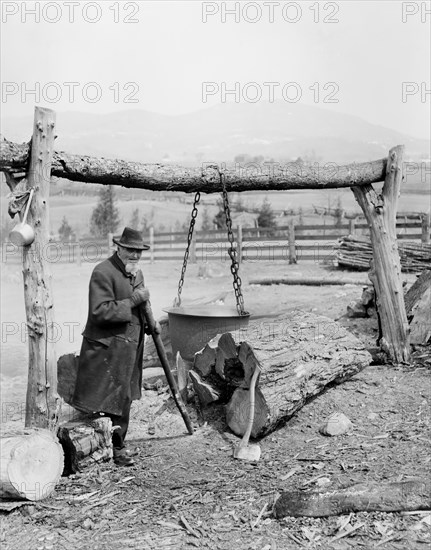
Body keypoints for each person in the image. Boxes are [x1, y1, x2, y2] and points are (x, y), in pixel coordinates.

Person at [71, 227, 160, 466]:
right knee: (108, 397)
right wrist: (133, 301)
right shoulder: (103, 272)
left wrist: (150, 324)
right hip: (107, 348)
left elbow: (142, 304)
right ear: (118, 248)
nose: (135, 255)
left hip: (129, 346)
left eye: (138, 251)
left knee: (126, 397)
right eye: (130, 250)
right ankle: (113, 448)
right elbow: (100, 312)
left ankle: (118, 442)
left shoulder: (136, 273)